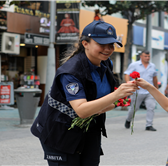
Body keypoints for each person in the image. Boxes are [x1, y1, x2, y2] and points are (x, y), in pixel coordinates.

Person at [30, 20, 138, 166]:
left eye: (111, 45)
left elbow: (104, 101)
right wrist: (117, 95)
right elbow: (81, 110)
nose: (108, 49)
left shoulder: (106, 63)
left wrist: (117, 99)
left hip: (89, 129)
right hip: (60, 132)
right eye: (101, 44)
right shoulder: (71, 71)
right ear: (85, 43)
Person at [124, 50, 158, 131]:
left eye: (149, 56)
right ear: (141, 56)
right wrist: (129, 83)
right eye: (145, 56)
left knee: (151, 108)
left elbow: (155, 78)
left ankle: (149, 125)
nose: (147, 58)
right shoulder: (134, 65)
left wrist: (156, 89)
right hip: (137, 91)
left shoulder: (152, 66)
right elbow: (127, 74)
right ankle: (128, 119)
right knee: (134, 108)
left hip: (149, 91)